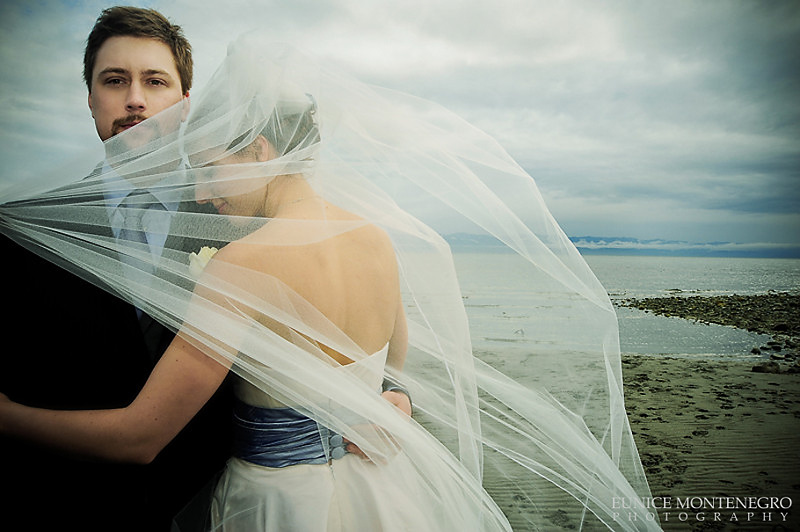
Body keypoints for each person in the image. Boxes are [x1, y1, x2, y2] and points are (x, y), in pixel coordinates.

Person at [1, 35, 662, 531]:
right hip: (385, 488)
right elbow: (395, 373)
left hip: (278, 502)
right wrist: (389, 402)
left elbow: (140, 436)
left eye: (206, 168)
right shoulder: (375, 238)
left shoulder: (246, 262)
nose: (199, 190)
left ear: (261, 151)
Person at [0, 7, 232, 531]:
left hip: (217, 505)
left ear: (185, 103)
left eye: (155, 81)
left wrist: (389, 388)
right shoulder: (21, 229)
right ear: (89, 98)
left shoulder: (235, 218)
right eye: (114, 80)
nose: (134, 99)